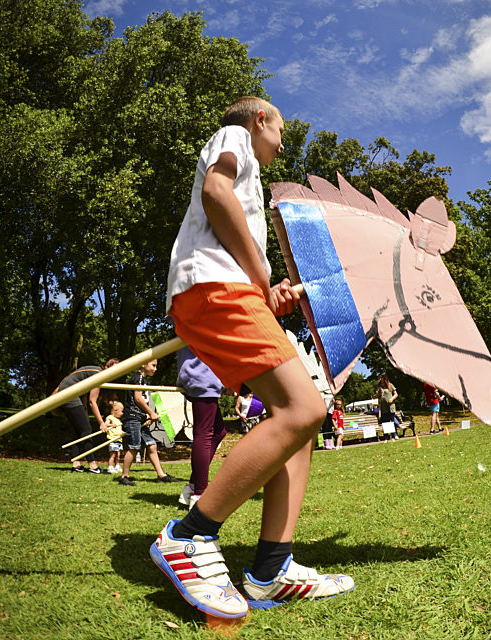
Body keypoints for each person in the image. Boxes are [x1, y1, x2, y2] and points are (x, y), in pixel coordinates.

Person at [150, 97, 354, 620]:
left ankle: (270, 571)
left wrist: (265, 290)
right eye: (281, 129)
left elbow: (238, 242)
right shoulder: (235, 138)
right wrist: (261, 278)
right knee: (302, 409)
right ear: (259, 120)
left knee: (303, 416)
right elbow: (216, 192)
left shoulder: (252, 175)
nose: (283, 142)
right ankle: (188, 536)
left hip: (230, 289)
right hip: (212, 289)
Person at [176, 346, 227, 511]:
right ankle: (199, 494)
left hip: (197, 372)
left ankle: (192, 487)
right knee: (204, 433)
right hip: (202, 373)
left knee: (219, 432)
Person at [119, 359, 180, 486]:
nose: (155, 369)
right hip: (132, 418)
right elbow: (138, 398)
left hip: (139, 418)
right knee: (134, 447)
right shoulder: (138, 378)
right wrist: (151, 413)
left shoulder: (143, 379)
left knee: (152, 445)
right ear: (143, 364)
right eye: (153, 365)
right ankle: (124, 476)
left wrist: (146, 415)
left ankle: (161, 475)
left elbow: (140, 401)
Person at [56, 357, 119, 473]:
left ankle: (76, 465)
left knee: (77, 430)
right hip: (69, 393)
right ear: (106, 367)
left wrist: (85, 415)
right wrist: (101, 423)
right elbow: (92, 401)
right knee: (87, 430)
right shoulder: (99, 374)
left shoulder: (94, 371)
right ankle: (93, 466)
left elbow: (85, 397)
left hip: (67, 393)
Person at [373, 372, 400, 440]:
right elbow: (374, 396)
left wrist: (392, 399)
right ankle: (386, 436)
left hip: (390, 406)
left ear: (384, 378)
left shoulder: (390, 385)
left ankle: (394, 434)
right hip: (383, 407)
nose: (379, 379)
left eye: (381, 377)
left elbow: (396, 394)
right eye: (379, 378)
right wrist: (378, 393)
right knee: (385, 422)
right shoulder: (378, 387)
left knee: (392, 420)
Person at [105, 401, 124, 473]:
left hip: (119, 440)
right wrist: (111, 425)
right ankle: (110, 467)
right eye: (121, 411)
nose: (122, 413)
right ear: (115, 410)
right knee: (112, 455)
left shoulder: (118, 420)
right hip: (113, 440)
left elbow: (118, 430)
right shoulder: (110, 417)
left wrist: (122, 433)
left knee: (118, 455)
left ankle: (117, 466)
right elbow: (105, 424)